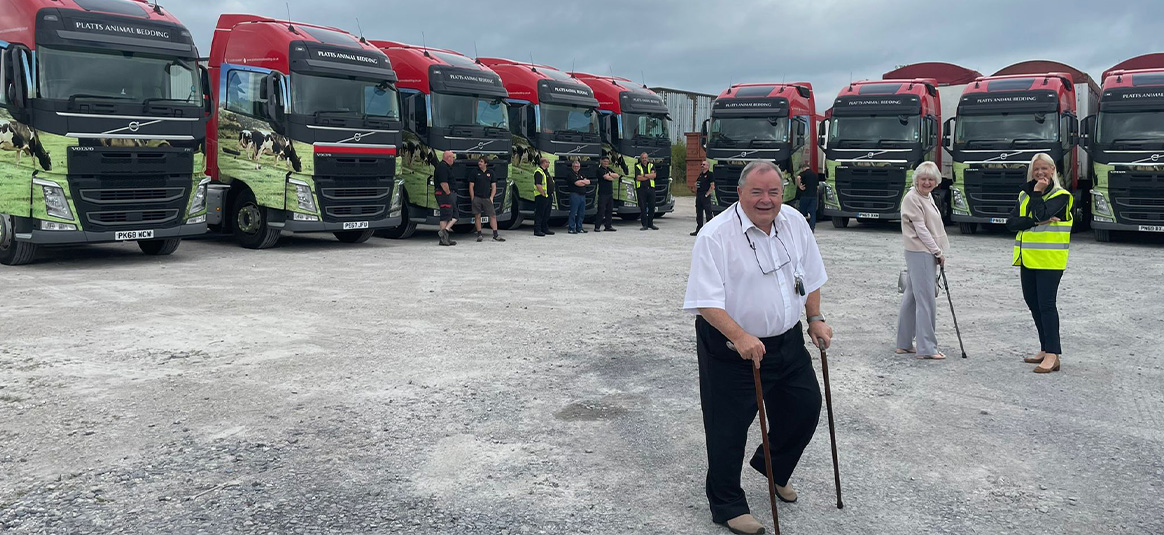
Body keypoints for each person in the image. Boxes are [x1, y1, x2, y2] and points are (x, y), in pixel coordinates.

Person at [683, 160, 833, 535]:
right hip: (733, 348)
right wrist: (740, 336)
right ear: (739, 193)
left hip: (787, 341)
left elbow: (811, 276)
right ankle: (728, 504)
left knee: (805, 407)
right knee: (727, 428)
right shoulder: (715, 235)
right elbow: (705, 300)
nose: (766, 200)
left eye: (774, 192)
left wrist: (814, 318)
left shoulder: (795, 222)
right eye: (757, 192)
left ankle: (774, 468)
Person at [1006, 152, 1072, 374]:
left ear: (1053, 170)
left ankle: (1053, 354)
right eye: (1036, 169)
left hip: (1050, 260)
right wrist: (1034, 220)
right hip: (1029, 259)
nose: (1041, 173)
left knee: (1046, 305)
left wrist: (1038, 194)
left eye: (1045, 168)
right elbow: (1012, 223)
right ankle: (1044, 348)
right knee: (1032, 303)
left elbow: (1042, 210)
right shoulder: (1024, 194)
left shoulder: (1061, 196)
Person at [895, 161, 949, 360]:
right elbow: (921, 230)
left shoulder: (925, 197)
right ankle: (927, 347)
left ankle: (904, 343)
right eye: (923, 179)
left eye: (931, 179)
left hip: (920, 252)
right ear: (916, 179)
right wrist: (937, 252)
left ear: (936, 182)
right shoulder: (913, 198)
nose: (927, 182)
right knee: (926, 300)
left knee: (911, 297)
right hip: (921, 252)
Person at [469, 157, 505, 242]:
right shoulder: (474, 172)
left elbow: (494, 186)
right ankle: (479, 234)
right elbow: (471, 186)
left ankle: (495, 234)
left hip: (487, 198)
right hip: (477, 197)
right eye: (479, 161)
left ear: (486, 163)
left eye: (481, 162)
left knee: (493, 215)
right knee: (477, 216)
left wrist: (491, 197)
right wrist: (472, 198)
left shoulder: (491, 173)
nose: (479, 163)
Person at [435, 151, 458, 246]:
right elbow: (443, 183)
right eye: (452, 157)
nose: (453, 159)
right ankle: (444, 237)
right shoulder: (442, 167)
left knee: (454, 215)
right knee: (445, 215)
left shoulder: (446, 167)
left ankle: (444, 233)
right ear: (448, 158)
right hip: (444, 194)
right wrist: (448, 194)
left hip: (447, 194)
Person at [635, 152, 659, 230]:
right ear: (641, 159)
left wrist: (644, 175)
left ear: (647, 158)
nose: (644, 159)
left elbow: (654, 176)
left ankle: (650, 224)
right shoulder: (637, 166)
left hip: (651, 188)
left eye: (646, 158)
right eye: (643, 158)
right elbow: (638, 178)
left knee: (652, 206)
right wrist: (649, 176)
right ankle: (644, 224)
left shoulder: (651, 165)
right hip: (641, 189)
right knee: (643, 207)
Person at [595, 156, 618, 232]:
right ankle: (597, 226)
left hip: (609, 193)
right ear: (601, 161)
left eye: (607, 162)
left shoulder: (608, 169)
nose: (606, 163)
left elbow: (617, 176)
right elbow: (606, 177)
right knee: (601, 210)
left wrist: (610, 175)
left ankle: (608, 226)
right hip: (602, 193)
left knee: (609, 210)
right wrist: (611, 176)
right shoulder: (599, 170)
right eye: (604, 161)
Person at [532, 157, 554, 237]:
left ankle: (545, 228)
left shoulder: (546, 172)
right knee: (539, 213)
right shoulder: (539, 172)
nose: (549, 163)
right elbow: (538, 185)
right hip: (541, 196)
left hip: (548, 196)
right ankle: (537, 230)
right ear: (544, 163)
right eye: (548, 162)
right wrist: (543, 194)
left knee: (546, 213)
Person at [692, 159, 715, 236]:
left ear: (708, 166)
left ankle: (710, 230)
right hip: (699, 196)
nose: (702, 166)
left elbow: (712, 186)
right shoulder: (700, 175)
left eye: (704, 164)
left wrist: (706, 195)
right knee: (699, 213)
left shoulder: (710, 175)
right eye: (701, 164)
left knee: (708, 213)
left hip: (705, 196)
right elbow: (696, 184)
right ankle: (699, 229)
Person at [567, 159, 590, 234]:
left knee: (581, 213)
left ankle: (579, 228)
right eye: (575, 166)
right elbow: (577, 183)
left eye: (577, 166)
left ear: (579, 167)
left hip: (582, 195)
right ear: (572, 167)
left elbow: (588, 182)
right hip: (574, 195)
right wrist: (583, 181)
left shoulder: (581, 174)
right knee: (573, 212)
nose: (576, 167)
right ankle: (571, 228)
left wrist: (582, 181)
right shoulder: (570, 174)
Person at [795, 163, 820, 232]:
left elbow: (798, 177)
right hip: (813, 196)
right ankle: (812, 228)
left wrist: (799, 185)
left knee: (802, 213)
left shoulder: (803, 173)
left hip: (804, 196)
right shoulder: (814, 175)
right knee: (813, 213)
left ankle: (802, 227)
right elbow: (818, 187)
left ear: (803, 168)